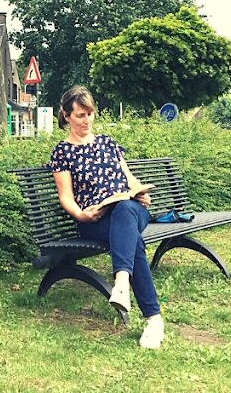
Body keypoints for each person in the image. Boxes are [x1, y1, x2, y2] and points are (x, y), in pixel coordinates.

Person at [48, 85, 165, 349]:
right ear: (66, 116)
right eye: (80, 115)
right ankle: (153, 321)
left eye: (90, 113)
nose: (86, 120)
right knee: (131, 241)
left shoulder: (108, 143)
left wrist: (139, 192)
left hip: (130, 210)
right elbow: (66, 196)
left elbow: (129, 179)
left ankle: (121, 283)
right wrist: (81, 214)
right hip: (95, 220)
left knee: (124, 207)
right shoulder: (62, 152)